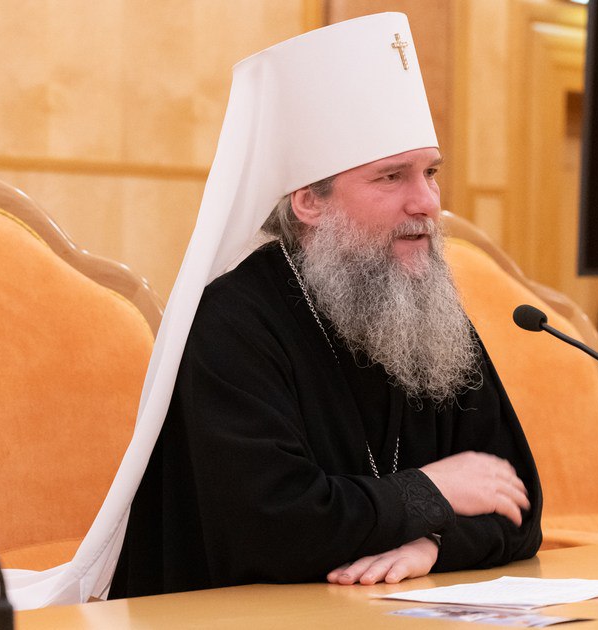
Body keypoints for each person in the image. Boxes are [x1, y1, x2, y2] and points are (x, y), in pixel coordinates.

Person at [110, 13, 542, 598]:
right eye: (391, 177)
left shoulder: (426, 312)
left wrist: (432, 546)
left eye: (430, 173)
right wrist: (430, 494)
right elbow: (274, 525)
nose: (426, 202)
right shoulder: (232, 323)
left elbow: (517, 505)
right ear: (309, 202)